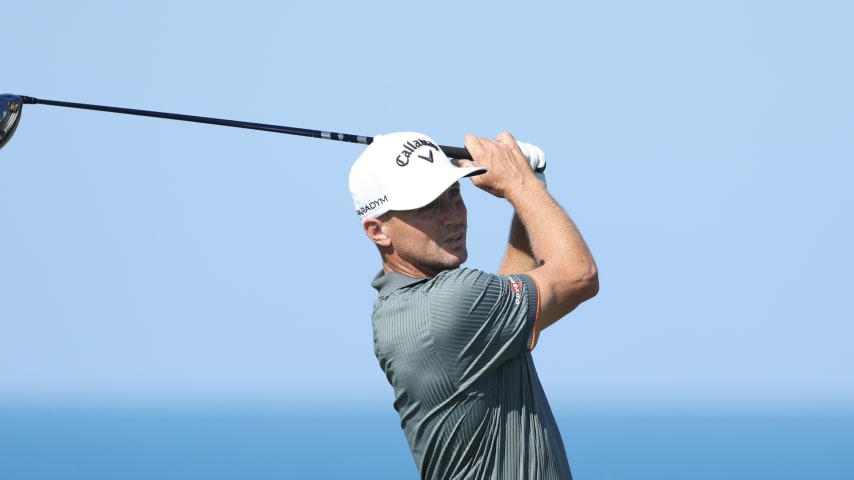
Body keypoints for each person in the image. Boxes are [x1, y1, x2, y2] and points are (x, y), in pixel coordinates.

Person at [348, 131, 598, 479]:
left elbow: (503, 299)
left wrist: (529, 185)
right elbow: (579, 275)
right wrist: (521, 184)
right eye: (427, 205)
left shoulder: (411, 306)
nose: (453, 216)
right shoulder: (447, 303)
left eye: (453, 194)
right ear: (377, 231)